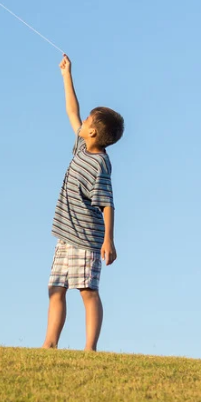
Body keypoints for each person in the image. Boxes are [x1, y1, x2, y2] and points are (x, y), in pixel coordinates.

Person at [43, 55, 123, 351]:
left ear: (93, 133)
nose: (83, 121)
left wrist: (109, 241)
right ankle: (50, 344)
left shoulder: (100, 164)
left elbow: (108, 203)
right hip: (66, 236)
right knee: (55, 289)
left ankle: (90, 348)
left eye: (88, 120)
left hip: (87, 239)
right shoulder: (81, 144)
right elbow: (71, 110)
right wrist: (67, 75)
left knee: (88, 291)